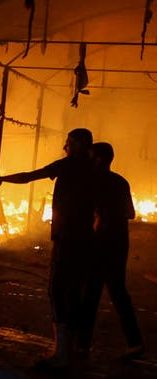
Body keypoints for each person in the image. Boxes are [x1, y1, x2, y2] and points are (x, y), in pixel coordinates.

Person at [0, 128, 95, 369]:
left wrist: (3, 178)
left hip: (67, 238)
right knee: (76, 291)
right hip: (87, 238)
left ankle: (60, 354)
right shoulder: (95, 170)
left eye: (68, 143)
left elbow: (31, 176)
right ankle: (73, 348)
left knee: (57, 289)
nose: (64, 147)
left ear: (76, 144)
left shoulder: (68, 165)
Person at [76, 142, 144, 359]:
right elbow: (131, 214)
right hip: (119, 242)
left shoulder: (92, 182)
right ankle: (135, 343)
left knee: (91, 293)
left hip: (99, 243)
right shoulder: (120, 182)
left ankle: (82, 345)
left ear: (98, 159)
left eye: (90, 156)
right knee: (118, 292)